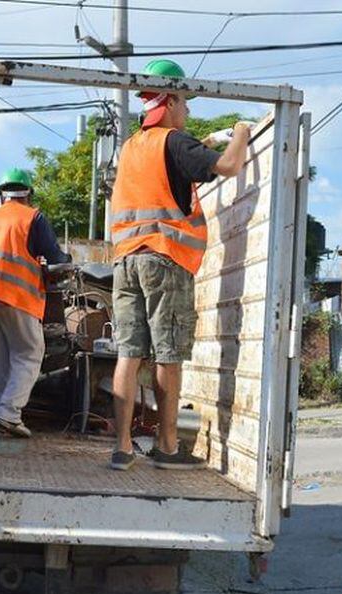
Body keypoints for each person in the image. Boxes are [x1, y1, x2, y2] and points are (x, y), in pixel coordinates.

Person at [108, 58, 253, 471]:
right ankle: (167, 447)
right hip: (164, 261)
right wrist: (240, 133)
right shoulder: (173, 141)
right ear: (170, 99)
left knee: (128, 354)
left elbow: (168, 177)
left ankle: (121, 449)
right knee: (168, 354)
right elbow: (228, 166)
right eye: (186, 102)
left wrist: (200, 145)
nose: (188, 111)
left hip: (126, 261)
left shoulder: (132, 147)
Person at [0, 168, 71, 438]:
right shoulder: (32, 217)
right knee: (29, 354)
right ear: (28, 194)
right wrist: (64, 262)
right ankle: (8, 414)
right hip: (16, 297)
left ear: (1, 194)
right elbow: (58, 260)